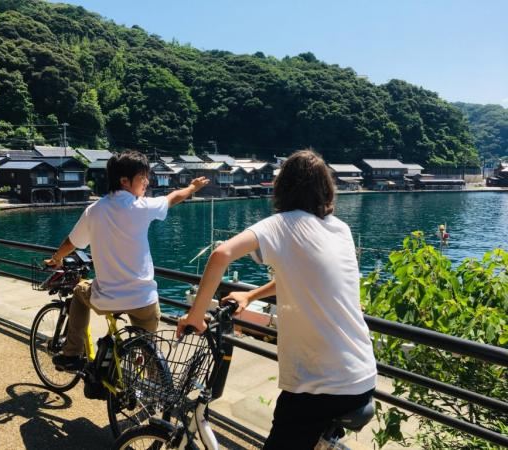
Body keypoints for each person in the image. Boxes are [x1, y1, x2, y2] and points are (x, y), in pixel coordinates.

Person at [177, 149, 377, 449]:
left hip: (320, 384)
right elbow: (301, 276)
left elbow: (220, 255)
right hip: (362, 375)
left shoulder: (282, 224)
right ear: (326, 188)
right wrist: (252, 295)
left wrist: (196, 315)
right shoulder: (340, 228)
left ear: (282, 188)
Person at [49, 150, 209, 372]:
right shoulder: (142, 207)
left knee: (79, 291)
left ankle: (72, 354)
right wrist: (193, 187)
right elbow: (174, 197)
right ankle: (154, 390)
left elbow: (72, 242)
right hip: (144, 299)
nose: (147, 182)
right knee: (150, 350)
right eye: (143, 177)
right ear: (125, 181)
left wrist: (56, 258)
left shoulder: (94, 211)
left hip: (107, 298)